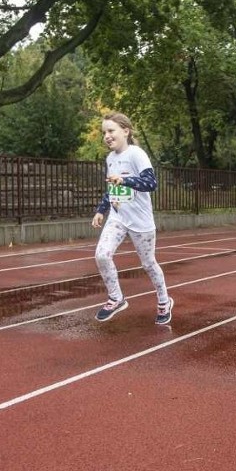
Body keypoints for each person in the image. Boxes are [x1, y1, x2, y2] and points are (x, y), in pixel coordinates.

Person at [92, 112, 174, 324]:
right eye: (104, 132)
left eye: (111, 131)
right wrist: (101, 210)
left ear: (125, 131)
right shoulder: (110, 159)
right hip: (118, 217)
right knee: (102, 255)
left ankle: (164, 301)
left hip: (140, 221)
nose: (107, 136)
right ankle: (116, 298)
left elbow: (151, 183)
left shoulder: (137, 154)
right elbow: (111, 187)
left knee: (148, 264)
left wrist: (126, 180)